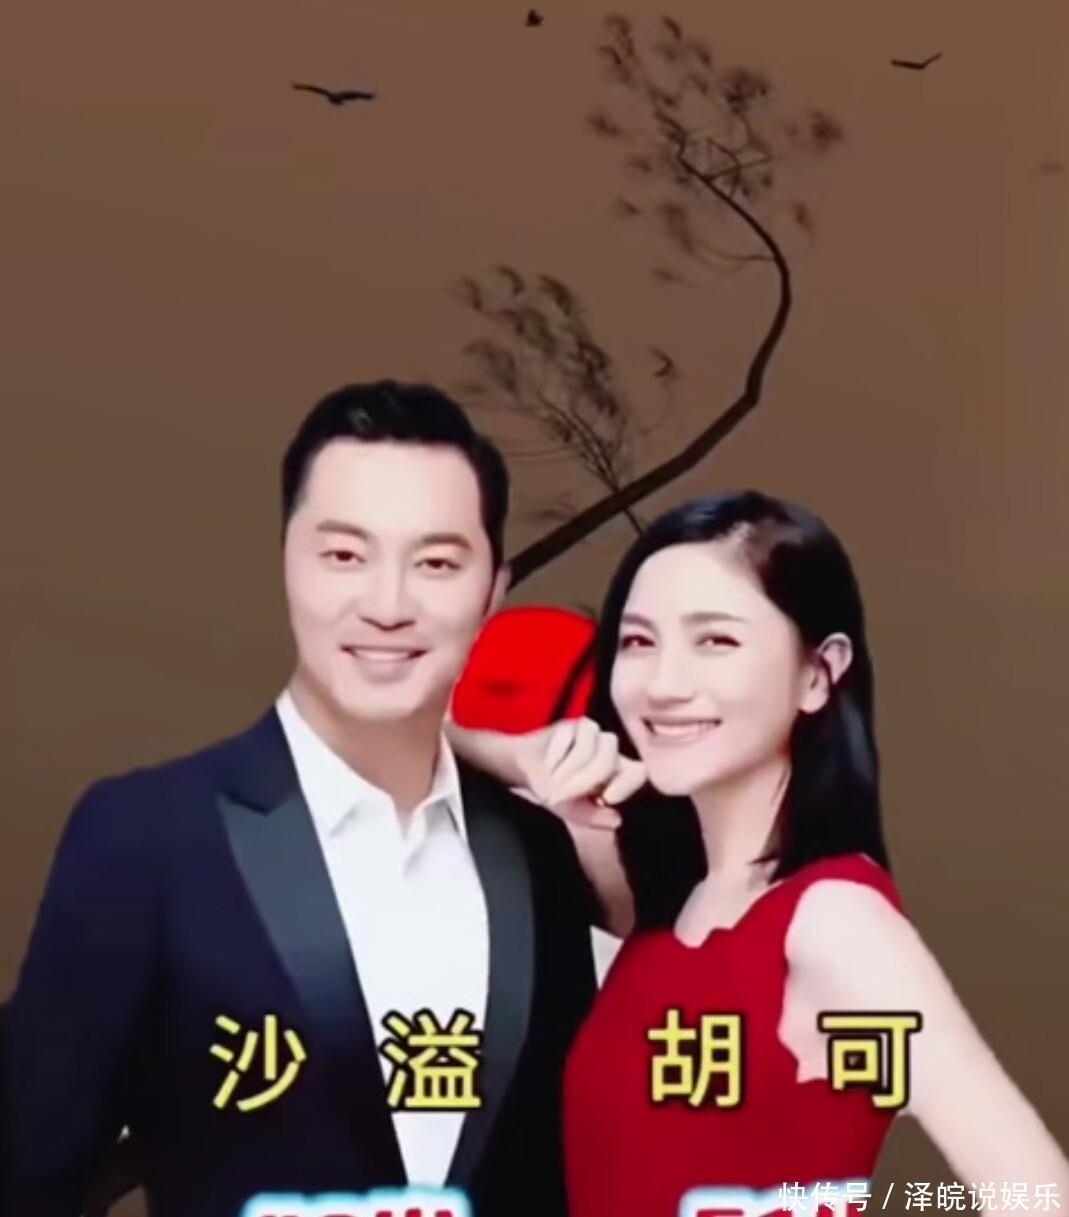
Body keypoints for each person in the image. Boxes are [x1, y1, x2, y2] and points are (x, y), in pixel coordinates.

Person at [1, 381, 638, 1217]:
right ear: (288, 563)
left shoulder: (540, 854)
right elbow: (29, 1165)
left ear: (492, 591)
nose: (387, 605)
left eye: (436, 563)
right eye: (344, 556)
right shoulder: (146, 836)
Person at [546, 491, 1069, 1217]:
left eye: (715, 640)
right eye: (638, 642)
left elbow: (1038, 1194)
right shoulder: (671, 902)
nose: (662, 685)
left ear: (818, 673)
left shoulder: (833, 919)